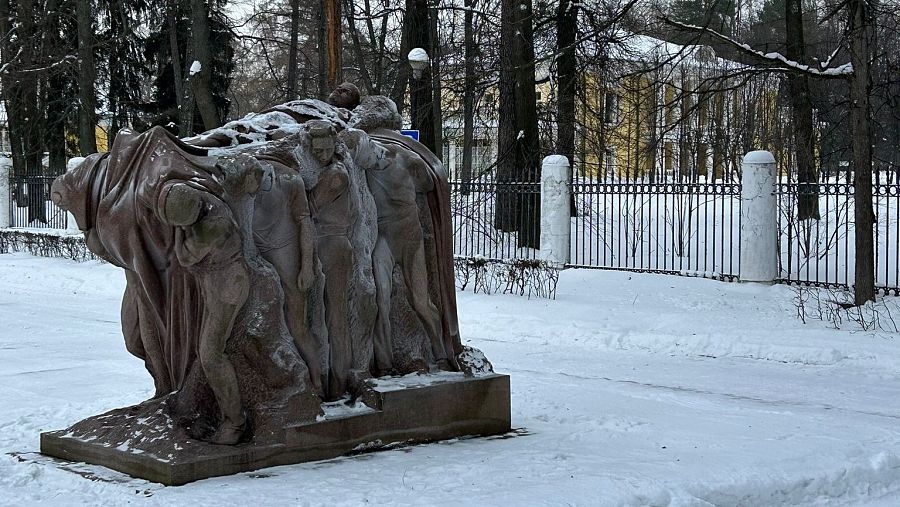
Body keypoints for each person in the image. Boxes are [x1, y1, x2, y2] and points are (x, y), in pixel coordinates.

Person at [341, 129, 448, 374]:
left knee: (421, 302)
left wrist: (417, 170)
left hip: (410, 237)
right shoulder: (363, 163)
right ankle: (384, 363)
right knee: (381, 299)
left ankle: (441, 352)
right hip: (384, 238)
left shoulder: (406, 160)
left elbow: (430, 184)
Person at [159, 181, 249, 445]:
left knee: (211, 354)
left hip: (228, 287)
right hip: (216, 284)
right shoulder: (203, 201)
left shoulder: (212, 225)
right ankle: (219, 413)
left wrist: (179, 231)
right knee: (206, 351)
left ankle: (235, 423)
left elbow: (185, 257)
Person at [252, 154, 321, 396]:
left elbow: (305, 223)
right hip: (256, 253)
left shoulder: (289, 180)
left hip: (285, 250)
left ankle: (317, 384)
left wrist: (307, 265)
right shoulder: (241, 178)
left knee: (297, 327)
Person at [307, 121, 354, 399]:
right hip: (321, 245)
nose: (322, 152)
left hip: (333, 245)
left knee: (336, 318)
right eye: (317, 148)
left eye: (326, 147)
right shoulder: (326, 170)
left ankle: (337, 384)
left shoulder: (336, 174)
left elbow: (311, 204)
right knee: (319, 317)